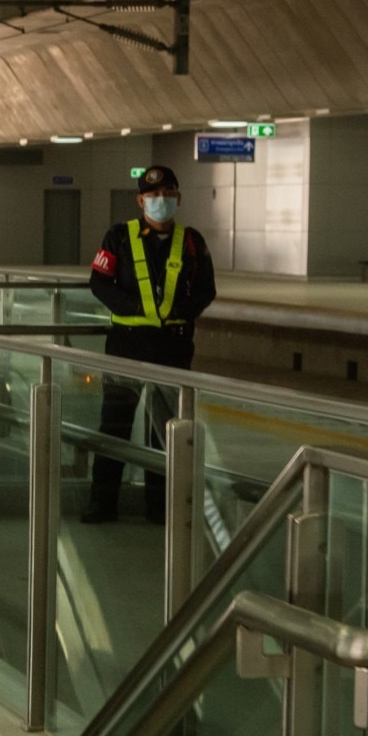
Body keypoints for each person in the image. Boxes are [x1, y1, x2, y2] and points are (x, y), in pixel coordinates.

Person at [84, 164, 216, 523]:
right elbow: (99, 283)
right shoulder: (118, 237)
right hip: (127, 345)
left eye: (168, 194)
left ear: (179, 198)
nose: (162, 201)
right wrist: (139, 308)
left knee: (167, 432)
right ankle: (102, 503)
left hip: (173, 347)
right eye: (154, 195)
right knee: (115, 426)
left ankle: (161, 508)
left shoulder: (192, 241)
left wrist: (178, 311)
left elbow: (207, 290)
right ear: (140, 200)